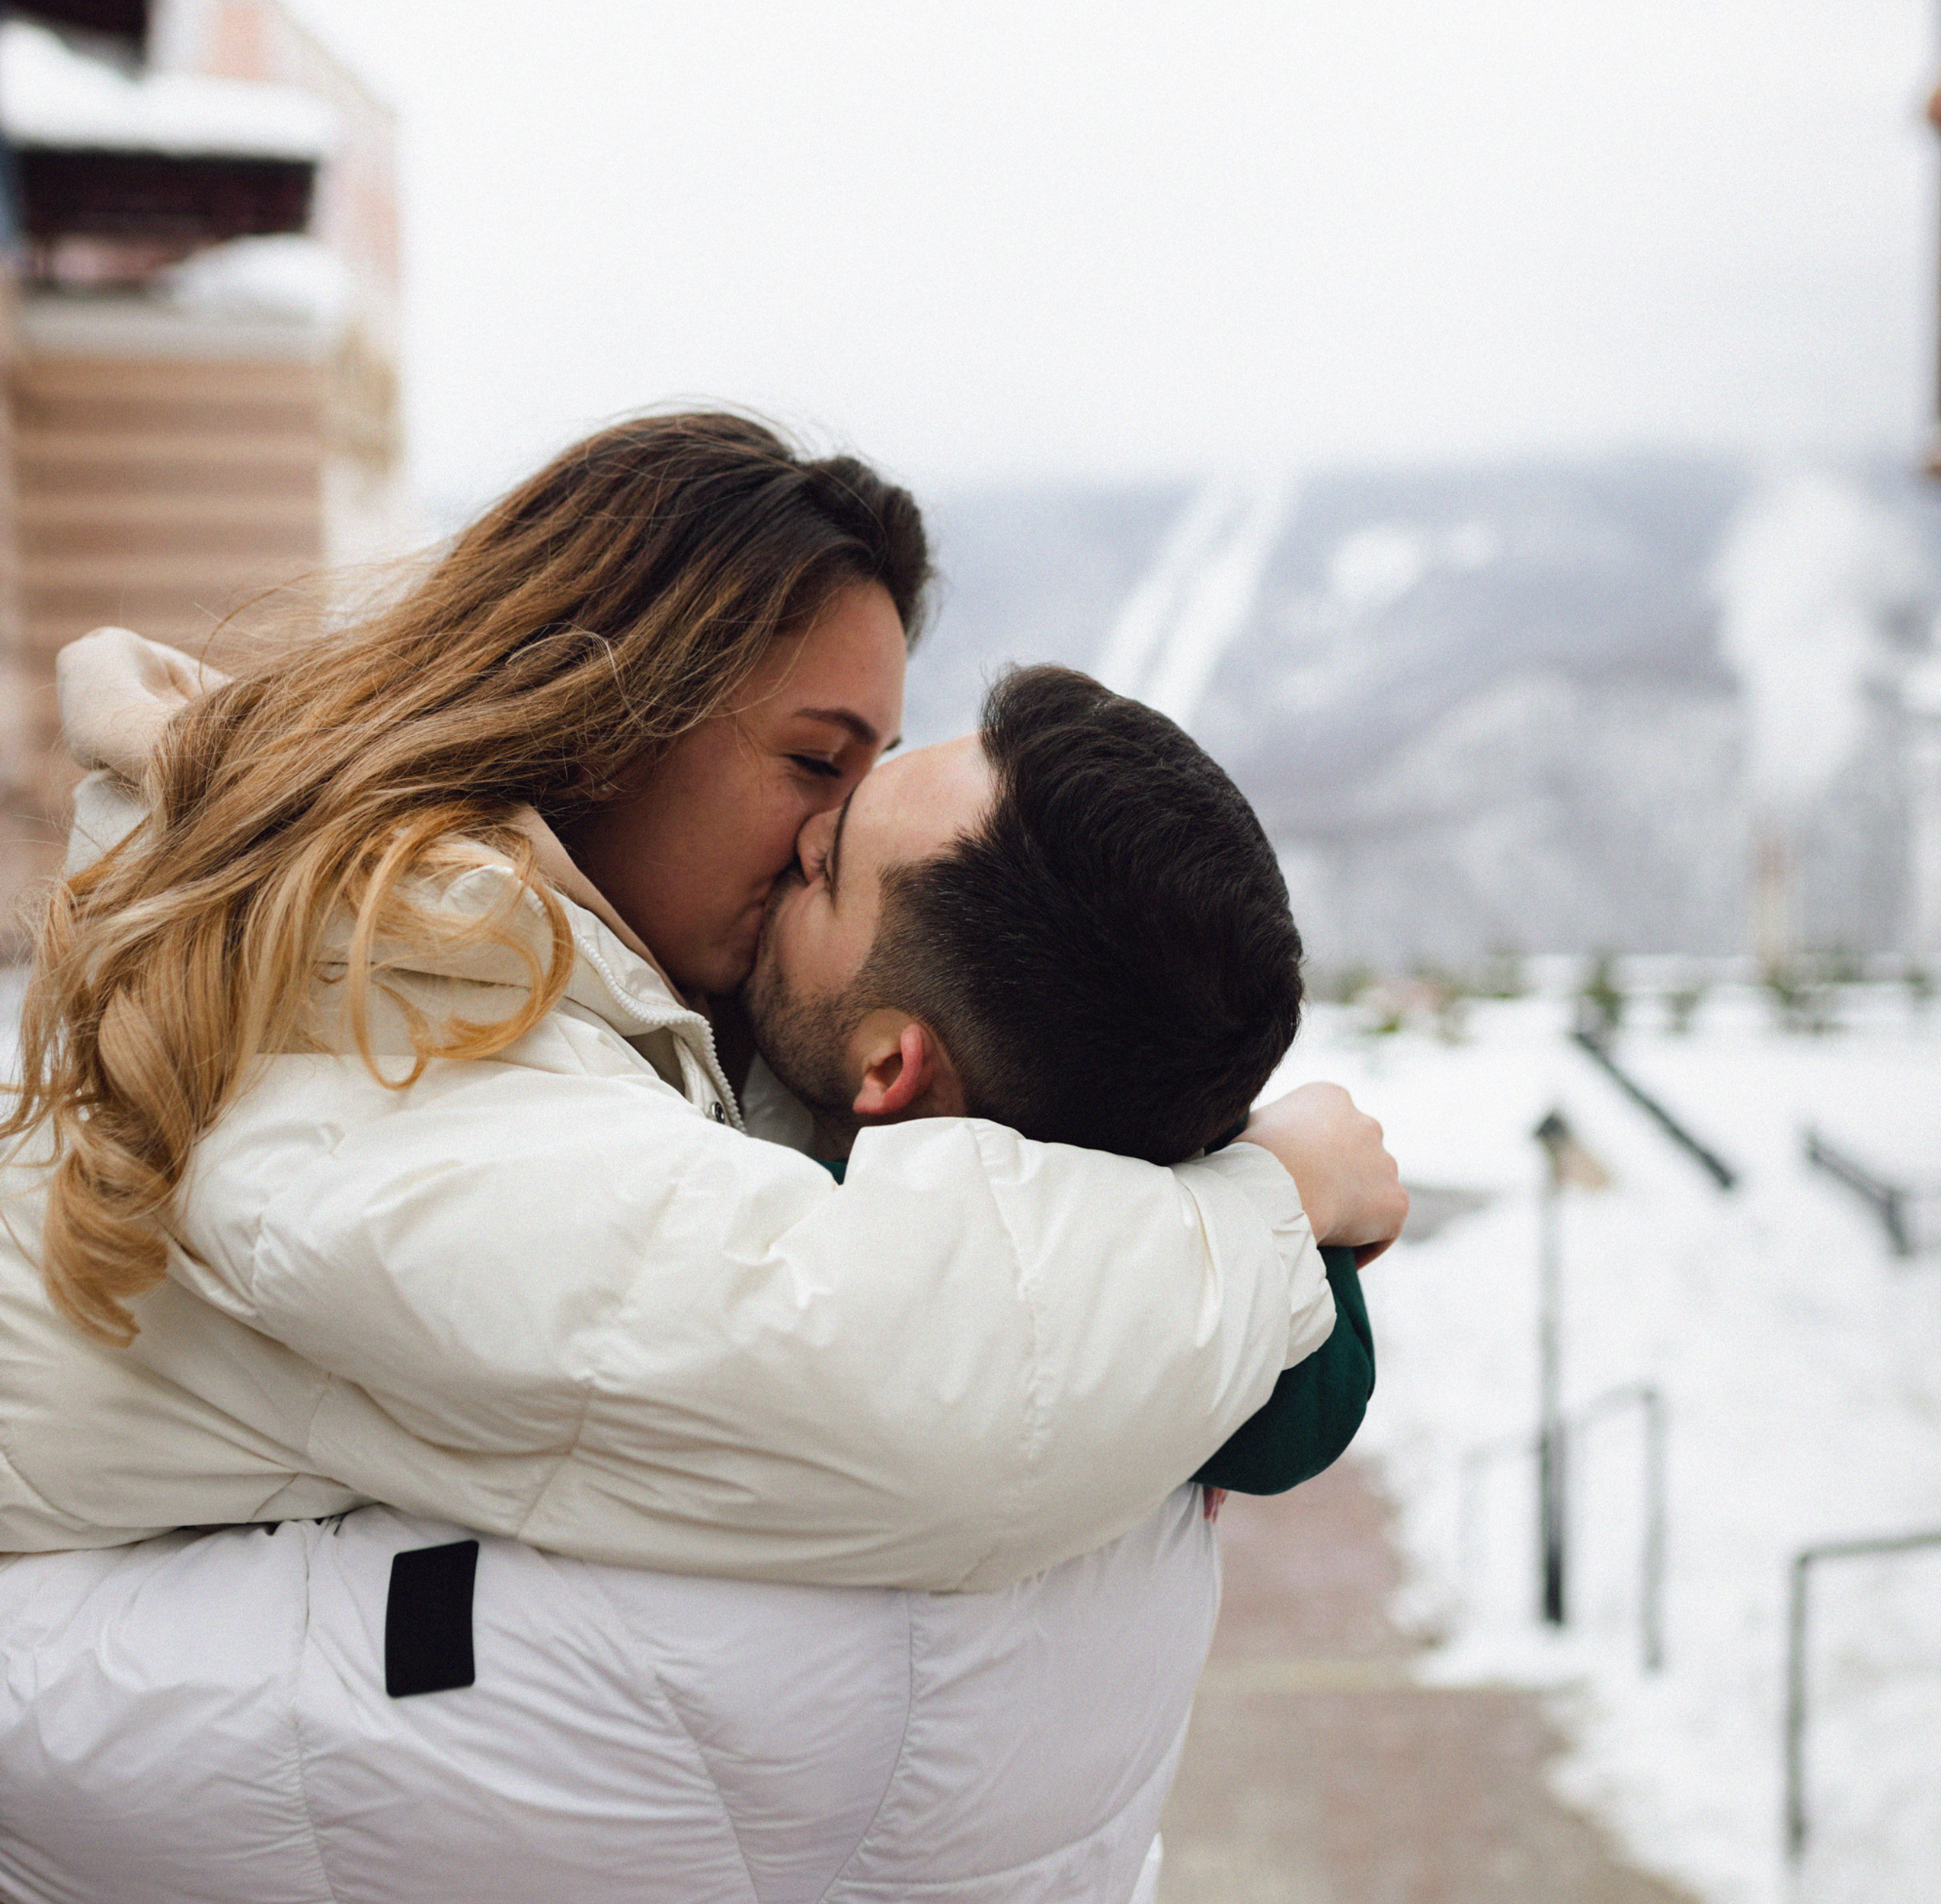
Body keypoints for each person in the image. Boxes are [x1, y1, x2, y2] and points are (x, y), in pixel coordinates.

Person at [1, 642, 1390, 1903]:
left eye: (826, 864)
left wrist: (1272, 1208)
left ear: (893, 1067)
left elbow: (155, 1741)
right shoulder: (1157, 1402)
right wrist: (1275, 1201)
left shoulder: (816, 1454)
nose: (787, 844)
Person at [0, 411, 1401, 1587]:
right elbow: (890, 1374)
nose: (825, 838)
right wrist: (1271, 1205)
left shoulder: (577, 1005)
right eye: (814, 763)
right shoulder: (370, 1005)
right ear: (601, 720)